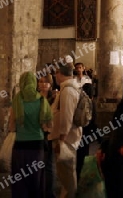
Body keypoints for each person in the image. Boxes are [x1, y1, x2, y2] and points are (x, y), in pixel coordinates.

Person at [9, 71, 53, 198]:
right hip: (37, 145)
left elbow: (12, 127)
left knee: (19, 180)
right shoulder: (42, 101)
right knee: (36, 179)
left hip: (20, 146)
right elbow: (48, 127)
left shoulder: (17, 101)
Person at [48, 59, 83, 198]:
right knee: (65, 173)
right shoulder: (68, 88)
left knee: (67, 174)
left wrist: (61, 139)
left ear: (59, 73)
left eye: (56, 73)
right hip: (66, 137)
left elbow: (66, 117)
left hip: (66, 139)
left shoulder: (68, 91)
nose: (55, 77)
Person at [38, 73, 57, 198]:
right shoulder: (36, 98)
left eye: (46, 82)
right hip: (37, 133)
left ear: (50, 84)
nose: (44, 84)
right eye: (41, 82)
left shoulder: (55, 98)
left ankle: (49, 192)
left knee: (48, 164)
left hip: (49, 133)